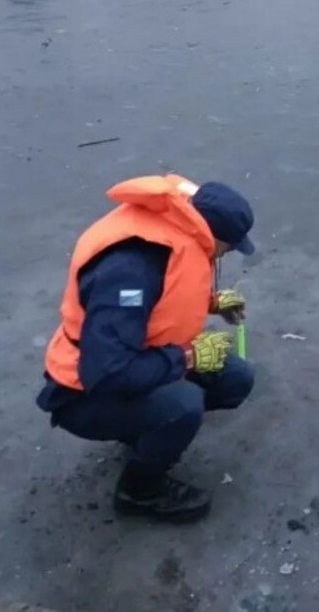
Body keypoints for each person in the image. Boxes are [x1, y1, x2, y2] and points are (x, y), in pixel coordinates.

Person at [37, 173, 256, 523]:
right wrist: (188, 357)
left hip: (135, 357)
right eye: (228, 248)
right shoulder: (131, 269)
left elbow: (162, 299)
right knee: (183, 406)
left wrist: (211, 303)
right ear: (212, 235)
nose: (226, 255)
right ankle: (138, 492)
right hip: (83, 391)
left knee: (234, 378)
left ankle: (147, 432)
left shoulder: (179, 228)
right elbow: (105, 371)